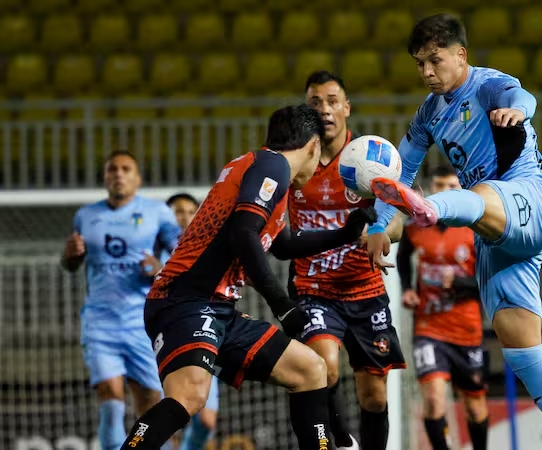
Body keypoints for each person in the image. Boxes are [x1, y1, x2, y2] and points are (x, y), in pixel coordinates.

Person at [365, 14, 542, 450]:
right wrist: (379, 223)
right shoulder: (429, 113)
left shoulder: (487, 84)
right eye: (419, 64)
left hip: (526, 197)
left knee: (476, 194)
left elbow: (520, 95)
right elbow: (400, 168)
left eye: (435, 60)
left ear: (461, 55)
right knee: (522, 350)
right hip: (494, 234)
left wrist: (519, 111)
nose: (427, 72)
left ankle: (430, 207)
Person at [118, 105, 379, 450]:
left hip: (217, 308)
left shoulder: (265, 170)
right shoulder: (272, 166)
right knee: (190, 395)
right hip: (186, 299)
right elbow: (243, 234)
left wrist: (345, 232)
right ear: (314, 145)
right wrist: (283, 305)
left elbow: (283, 245)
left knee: (310, 369)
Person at [288, 70, 406, 450]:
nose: (324, 109)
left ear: (347, 108)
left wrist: (380, 231)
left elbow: (398, 221)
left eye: (332, 101)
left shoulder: (371, 157)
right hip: (314, 289)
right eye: (315, 102)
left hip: (365, 289)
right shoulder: (295, 159)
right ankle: (340, 440)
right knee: (323, 365)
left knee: (374, 397)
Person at [61, 150, 182, 450]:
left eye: (126, 169)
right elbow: (72, 264)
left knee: (151, 402)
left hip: (143, 323)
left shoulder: (157, 213)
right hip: (100, 322)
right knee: (110, 394)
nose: (118, 174)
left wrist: (160, 268)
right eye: (112, 169)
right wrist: (69, 256)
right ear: (105, 177)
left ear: (137, 178)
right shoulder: (86, 216)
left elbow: (182, 256)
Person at [396, 165, 488, 450]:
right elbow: (403, 256)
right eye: (439, 185)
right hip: (428, 327)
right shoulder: (416, 225)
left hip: (467, 330)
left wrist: (460, 281)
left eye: (452, 186)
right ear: (432, 188)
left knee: (474, 407)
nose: (445, 191)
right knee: (434, 400)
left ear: (462, 189)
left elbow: (490, 281)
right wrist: (407, 288)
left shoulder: (478, 228)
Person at [164, 193, 219, 450]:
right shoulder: (153, 248)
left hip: (201, 334)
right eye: (178, 212)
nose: (184, 218)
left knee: (206, 421)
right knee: (168, 416)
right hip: (165, 339)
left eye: (190, 212)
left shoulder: (209, 246)